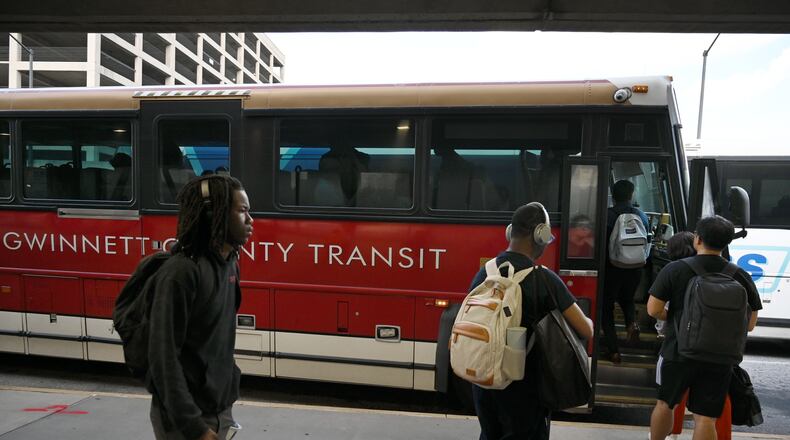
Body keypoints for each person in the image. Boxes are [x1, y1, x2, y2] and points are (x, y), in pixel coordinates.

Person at [470, 202, 594, 440]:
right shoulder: (544, 278)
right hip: (524, 387)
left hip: (485, 381)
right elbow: (585, 329)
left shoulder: (486, 272)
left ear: (510, 231)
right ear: (540, 235)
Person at [147, 174, 253, 440]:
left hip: (219, 409)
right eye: (242, 212)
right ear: (213, 214)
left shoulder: (229, 264)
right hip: (186, 420)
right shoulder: (181, 273)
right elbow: (163, 359)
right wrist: (195, 428)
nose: (251, 221)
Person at [647, 215, 762, 440]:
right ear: (726, 243)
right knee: (706, 417)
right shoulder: (740, 275)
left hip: (677, 351)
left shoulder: (675, 270)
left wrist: (675, 317)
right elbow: (750, 324)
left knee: (665, 404)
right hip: (720, 357)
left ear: (697, 240)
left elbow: (653, 309)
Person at [601, 179, 650, 363]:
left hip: (611, 267)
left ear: (612, 195)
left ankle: (613, 350)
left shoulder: (607, 215)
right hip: (635, 267)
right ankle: (632, 323)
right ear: (632, 195)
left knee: (606, 307)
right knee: (627, 299)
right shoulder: (641, 215)